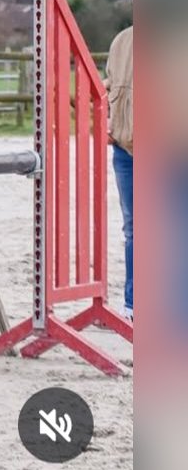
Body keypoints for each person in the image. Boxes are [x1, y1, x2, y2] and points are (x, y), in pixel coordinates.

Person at [106, 23, 134, 320]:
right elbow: (112, 85)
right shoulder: (122, 40)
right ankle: (133, 304)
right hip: (127, 148)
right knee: (134, 230)